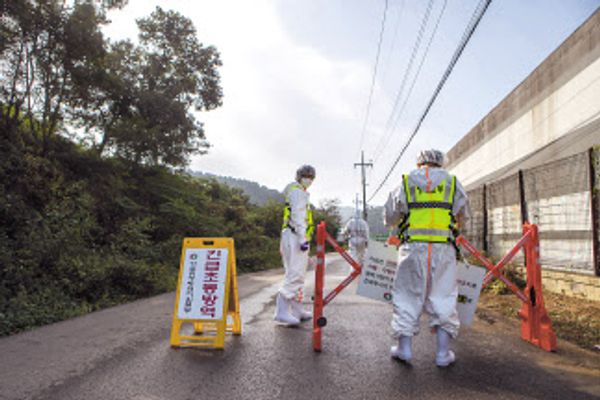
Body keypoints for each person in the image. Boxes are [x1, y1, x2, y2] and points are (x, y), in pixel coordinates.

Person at [383, 149, 470, 367]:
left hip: (412, 248)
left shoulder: (404, 182)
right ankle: (442, 354)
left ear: (419, 162)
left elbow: (390, 217)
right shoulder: (453, 183)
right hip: (443, 249)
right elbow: (464, 215)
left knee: (407, 296)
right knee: (443, 297)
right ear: (440, 162)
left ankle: (404, 349)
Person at [274, 165, 316, 325]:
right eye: (306, 175)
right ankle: (281, 311)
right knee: (296, 275)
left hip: (289, 235)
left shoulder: (295, 191)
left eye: (311, 177)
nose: (309, 179)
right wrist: (302, 239)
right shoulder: (298, 192)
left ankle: (297, 310)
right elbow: (298, 217)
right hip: (294, 236)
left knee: (295, 274)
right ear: (299, 176)